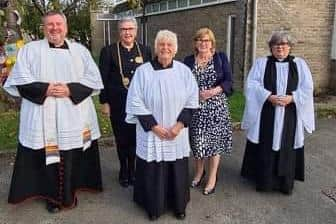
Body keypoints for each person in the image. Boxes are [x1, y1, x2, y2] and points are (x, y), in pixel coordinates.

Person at [4, 11, 104, 212]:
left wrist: (70, 89)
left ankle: (70, 190)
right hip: (42, 114)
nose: (55, 28)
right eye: (50, 24)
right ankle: (51, 197)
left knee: (70, 154)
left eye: (58, 24)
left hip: (73, 115)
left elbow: (94, 79)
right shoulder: (30, 50)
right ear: (44, 28)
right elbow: (19, 80)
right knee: (46, 156)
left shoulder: (80, 51)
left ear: (65, 27)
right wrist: (45, 89)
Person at [126, 30, 199, 220]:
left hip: (177, 132)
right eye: (161, 45)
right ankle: (153, 206)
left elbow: (192, 99)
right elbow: (135, 101)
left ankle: (179, 206)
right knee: (153, 169)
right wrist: (153, 126)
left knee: (177, 168)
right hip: (152, 132)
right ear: (156, 48)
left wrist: (179, 125)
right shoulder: (143, 72)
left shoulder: (184, 71)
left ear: (175, 49)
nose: (165, 48)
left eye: (169, 45)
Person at [240, 31, 315, 194]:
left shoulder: (299, 64)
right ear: (271, 47)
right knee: (265, 143)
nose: (280, 48)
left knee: (286, 143)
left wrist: (293, 98)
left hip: (290, 113)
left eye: (283, 45)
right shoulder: (261, 63)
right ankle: (264, 181)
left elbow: (307, 88)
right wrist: (268, 96)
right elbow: (251, 84)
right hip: (267, 111)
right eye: (276, 45)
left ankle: (285, 183)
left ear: (290, 47)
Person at [99, 17, 152, 188]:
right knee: (122, 139)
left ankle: (134, 170)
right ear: (119, 31)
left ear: (136, 31)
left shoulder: (145, 50)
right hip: (118, 103)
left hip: (140, 104)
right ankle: (124, 169)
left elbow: (151, 77)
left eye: (130, 29)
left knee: (137, 138)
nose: (127, 32)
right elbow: (103, 79)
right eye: (123, 29)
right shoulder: (108, 51)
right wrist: (104, 102)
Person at [184, 28, 233, 195]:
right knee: (197, 143)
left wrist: (213, 91)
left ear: (212, 43)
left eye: (207, 40)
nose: (203, 43)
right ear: (195, 43)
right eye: (200, 40)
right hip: (195, 109)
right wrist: (194, 94)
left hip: (216, 108)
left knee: (214, 144)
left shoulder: (220, 58)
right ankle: (199, 172)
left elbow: (229, 81)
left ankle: (212, 177)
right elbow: (183, 83)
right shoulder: (188, 60)